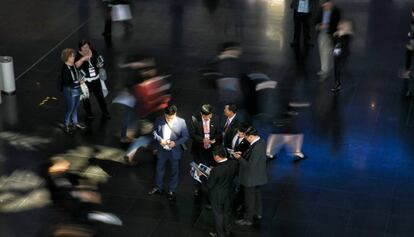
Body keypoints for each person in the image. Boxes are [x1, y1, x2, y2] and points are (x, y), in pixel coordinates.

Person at [148, 104, 189, 201]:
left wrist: (175, 143)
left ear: (175, 113)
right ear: (164, 114)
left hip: (174, 151)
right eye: (167, 117)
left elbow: (185, 136)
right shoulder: (159, 120)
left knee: (175, 171)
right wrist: (160, 140)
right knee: (159, 169)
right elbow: (154, 132)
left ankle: (172, 190)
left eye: (171, 117)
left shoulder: (181, 122)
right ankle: (158, 187)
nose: (169, 119)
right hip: (162, 150)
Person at [198, 146, 238, 237]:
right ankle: (227, 231)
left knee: (218, 215)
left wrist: (201, 176)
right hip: (229, 193)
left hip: (217, 196)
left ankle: (220, 234)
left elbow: (209, 185)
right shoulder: (234, 163)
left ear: (217, 156)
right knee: (227, 213)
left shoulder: (216, 170)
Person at [233, 126, 268, 226]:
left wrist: (239, 158)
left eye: (246, 137)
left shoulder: (256, 147)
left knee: (249, 199)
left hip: (251, 178)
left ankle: (248, 219)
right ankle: (258, 213)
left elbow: (250, 165)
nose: (245, 139)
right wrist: (243, 154)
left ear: (252, 136)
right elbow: (252, 157)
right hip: (258, 176)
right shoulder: (260, 141)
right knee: (257, 195)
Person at [189, 104, 221, 197]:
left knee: (211, 169)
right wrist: (202, 140)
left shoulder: (216, 118)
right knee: (197, 169)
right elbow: (192, 134)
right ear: (201, 114)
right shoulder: (195, 119)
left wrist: (214, 140)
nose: (208, 118)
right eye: (205, 116)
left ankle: (210, 187)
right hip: (198, 149)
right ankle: (197, 188)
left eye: (209, 115)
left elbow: (219, 133)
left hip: (212, 150)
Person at [75, 40, 110, 119]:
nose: (86, 49)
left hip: (96, 80)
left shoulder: (93, 52)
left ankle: (105, 112)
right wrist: (83, 59)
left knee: (100, 97)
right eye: (84, 47)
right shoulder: (78, 55)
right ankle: (89, 114)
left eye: (87, 47)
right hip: (86, 81)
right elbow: (76, 65)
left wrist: (99, 65)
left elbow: (98, 62)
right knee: (86, 99)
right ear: (80, 48)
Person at [60, 48, 86, 134]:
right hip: (69, 90)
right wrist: (79, 82)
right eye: (71, 56)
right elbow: (68, 83)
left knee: (75, 107)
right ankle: (66, 125)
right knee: (70, 108)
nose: (73, 57)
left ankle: (75, 123)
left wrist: (80, 79)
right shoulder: (65, 69)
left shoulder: (73, 65)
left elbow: (75, 77)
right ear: (66, 57)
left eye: (74, 56)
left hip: (76, 88)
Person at [315, 0, 341, 80]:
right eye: (324, 5)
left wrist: (328, 26)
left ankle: (328, 68)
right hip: (322, 33)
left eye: (327, 5)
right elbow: (316, 21)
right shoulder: (321, 10)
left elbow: (337, 24)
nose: (325, 7)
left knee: (329, 52)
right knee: (323, 51)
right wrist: (319, 26)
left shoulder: (336, 11)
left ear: (330, 4)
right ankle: (324, 69)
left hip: (331, 34)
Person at [331, 20, 353, 92]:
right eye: (339, 25)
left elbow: (344, 44)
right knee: (336, 69)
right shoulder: (337, 34)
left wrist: (340, 36)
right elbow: (334, 43)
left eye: (342, 25)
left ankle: (338, 84)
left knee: (340, 68)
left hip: (343, 53)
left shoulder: (347, 35)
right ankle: (337, 84)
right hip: (336, 53)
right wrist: (336, 36)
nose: (340, 26)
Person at [401, 8, 414, 79]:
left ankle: (407, 72)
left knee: (409, 55)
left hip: (412, 43)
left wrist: (410, 35)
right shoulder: (412, 21)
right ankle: (407, 71)